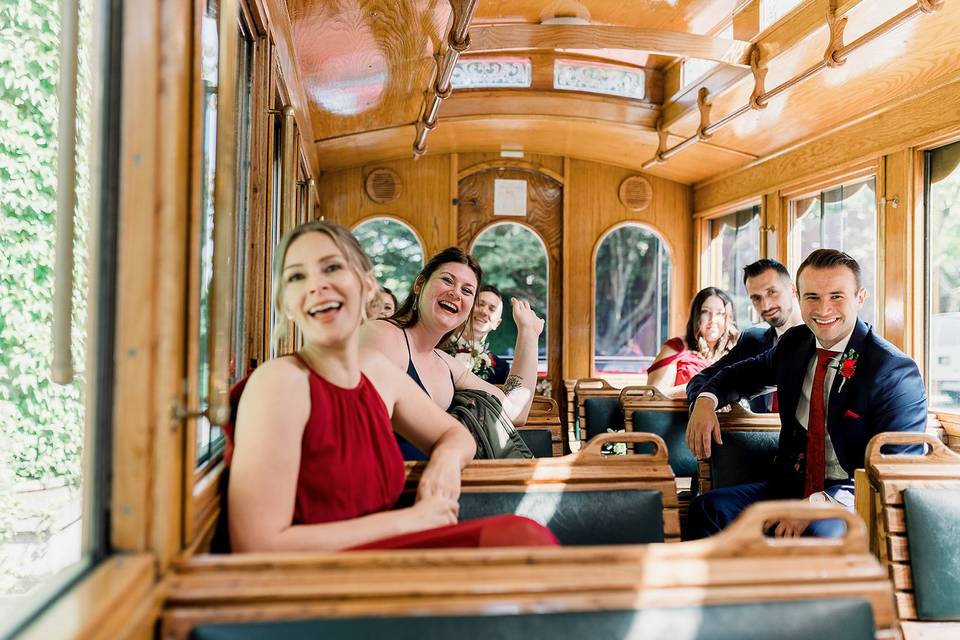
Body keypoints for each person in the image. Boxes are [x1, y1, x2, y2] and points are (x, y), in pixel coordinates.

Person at [227, 220, 558, 552]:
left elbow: (485, 423)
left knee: (524, 535)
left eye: (331, 268)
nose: (317, 285)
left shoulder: (384, 372)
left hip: (390, 537)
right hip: (324, 568)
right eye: (297, 276)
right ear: (286, 301)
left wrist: (443, 465)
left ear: (367, 287)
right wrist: (415, 519)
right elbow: (257, 544)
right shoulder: (278, 383)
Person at [685, 249, 927, 539]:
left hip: (852, 501)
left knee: (817, 534)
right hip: (789, 487)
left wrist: (816, 506)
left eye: (836, 296)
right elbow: (736, 376)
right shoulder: (794, 344)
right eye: (812, 297)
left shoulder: (893, 371)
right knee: (708, 508)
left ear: (860, 298)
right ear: (798, 298)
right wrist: (705, 401)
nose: (823, 309)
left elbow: (895, 467)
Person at [360, 248, 544, 458]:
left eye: (467, 291)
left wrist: (528, 335)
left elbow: (514, 412)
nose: (456, 293)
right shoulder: (383, 334)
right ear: (420, 284)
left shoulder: (446, 364)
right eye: (447, 281)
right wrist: (456, 442)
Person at [687, 259, 803, 412]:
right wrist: (706, 402)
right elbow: (700, 380)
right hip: (756, 431)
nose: (765, 305)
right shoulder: (752, 340)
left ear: (793, 290)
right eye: (756, 298)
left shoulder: (819, 336)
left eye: (772, 292)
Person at [646, 287, 739, 398]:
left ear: (728, 318)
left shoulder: (736, 353)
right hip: (682, 414)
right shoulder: (676, 348)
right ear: (696, 316)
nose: (712, 319)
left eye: (720, 313)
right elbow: (652, 396)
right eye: (705, 312)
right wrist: (697, 387)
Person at [446, 284, 510, 384]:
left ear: (497, 323)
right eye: (479, 304)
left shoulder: (502, 369)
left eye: (492, 309)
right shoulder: (436, 349)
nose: (484, 311)